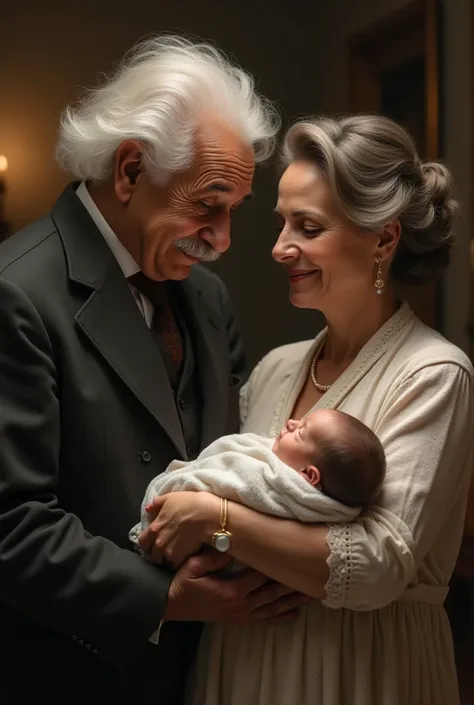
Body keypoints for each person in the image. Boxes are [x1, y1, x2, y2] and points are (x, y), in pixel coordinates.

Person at [0, 34, 309, 698]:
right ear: (131, 169)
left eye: (233, 211)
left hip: (205, 673)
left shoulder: (207, 295)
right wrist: (165, 595)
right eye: (207, 204)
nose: (223, 240)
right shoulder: (17, 292)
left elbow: (233, 456)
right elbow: (11, 523)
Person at [140, 114, 474, 705]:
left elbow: (375, 566)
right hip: (240, 661)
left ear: (384, 239)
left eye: (308, 226)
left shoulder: (433, 373)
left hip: (360, 669)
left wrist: (212, 517)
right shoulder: (275, 368)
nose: (278, 248)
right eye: (281, 223)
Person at [130, 409, 386, 552]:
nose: (291, 423)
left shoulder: (274, 484)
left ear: (308, 476)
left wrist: (183, 486)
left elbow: (226, 476)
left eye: (300, 432)